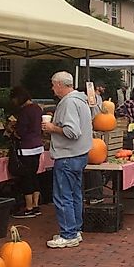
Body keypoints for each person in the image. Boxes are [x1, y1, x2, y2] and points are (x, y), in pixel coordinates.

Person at [42, 72, 93, 248]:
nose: (52, 88)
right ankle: (75, 230)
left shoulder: (69, 102)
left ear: (61, 85)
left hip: (67, 155)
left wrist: (51, 128)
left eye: (53, 84)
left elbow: (72, 132)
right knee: (75, 194)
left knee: (63, 196)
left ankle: (68, 233)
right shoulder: (81, 100)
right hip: (81, 154)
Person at [9, 87, 44, 218]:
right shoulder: (37, 109)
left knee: (26, 177)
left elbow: (21, 132)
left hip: (26, 148)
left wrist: (12, 131)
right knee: (34, 176)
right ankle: (35, 204)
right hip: (37, 146)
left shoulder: (24, 111)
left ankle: (28, 207)